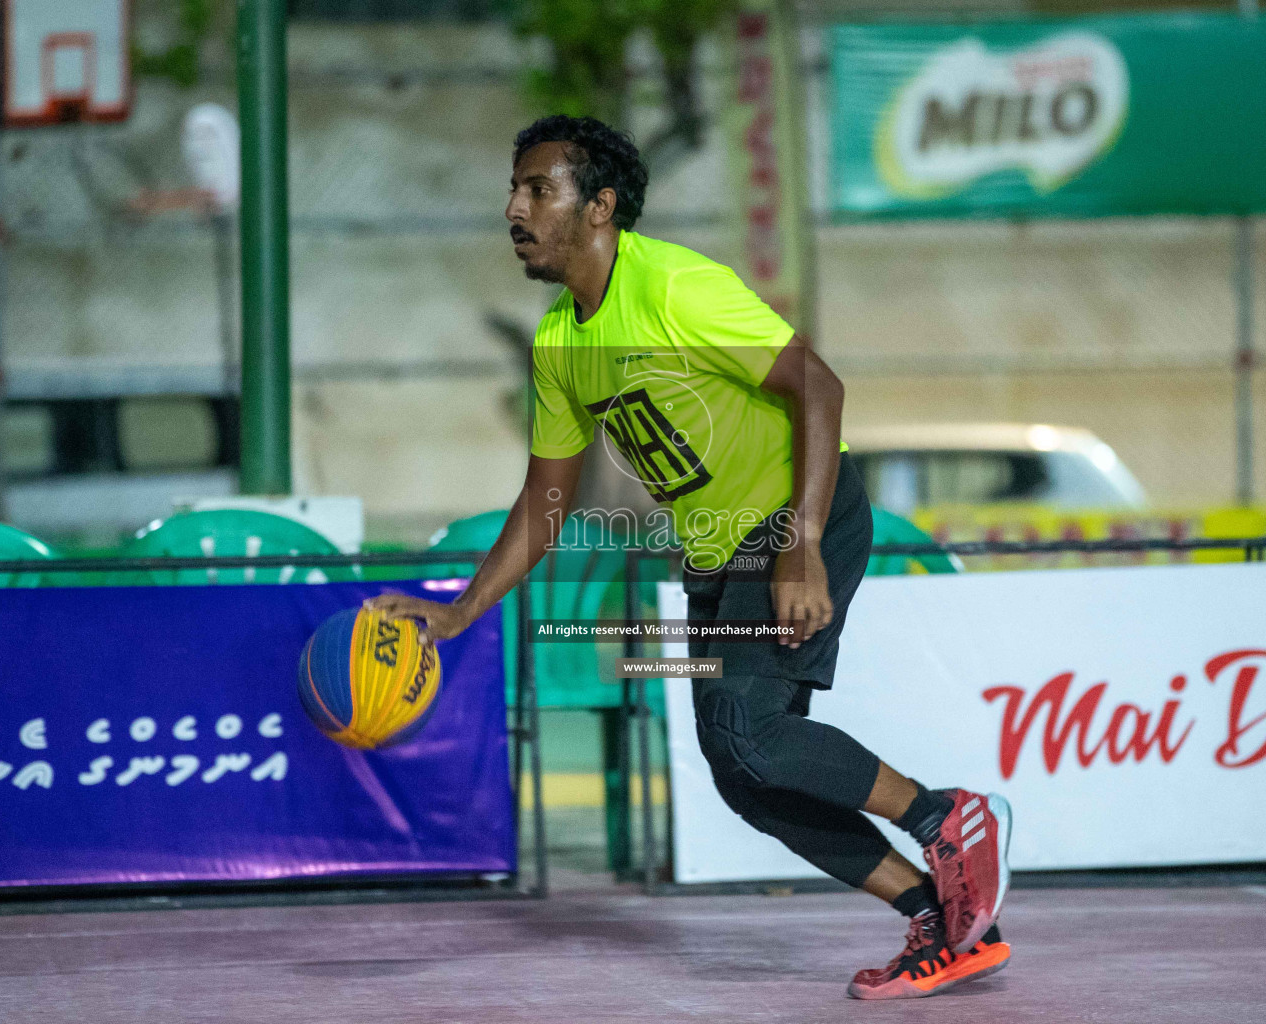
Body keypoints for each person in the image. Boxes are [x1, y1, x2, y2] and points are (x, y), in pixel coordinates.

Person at [367, 114, 1012, 1000]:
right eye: (514, 189)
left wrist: (804, 545)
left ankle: (949, 817)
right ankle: (938, 919)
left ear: (599, 208)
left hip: (792, 524)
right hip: (714, 556)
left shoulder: (673, 290)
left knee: (750, 729)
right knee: (741, 772)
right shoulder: (561, 343)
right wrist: (459, 610)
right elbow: (547, 501)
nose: (514, 207)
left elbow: (818, 387)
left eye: (538, 188)